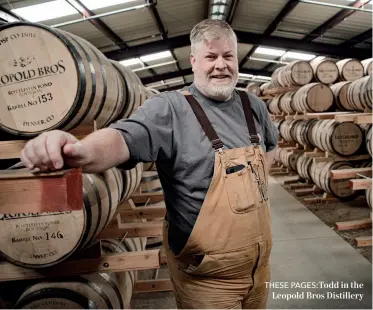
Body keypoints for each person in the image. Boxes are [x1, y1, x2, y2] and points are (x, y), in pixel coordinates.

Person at [20, 19, 278, 309]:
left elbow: (271, 144)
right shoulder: (170, 109)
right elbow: (122, 139)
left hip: (259, 270)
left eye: (228, 56)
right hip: (206, 279)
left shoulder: (251, 105)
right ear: (194, 61)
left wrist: (257, 184)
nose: (221, 65)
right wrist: (79, 151)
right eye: (211, 56)